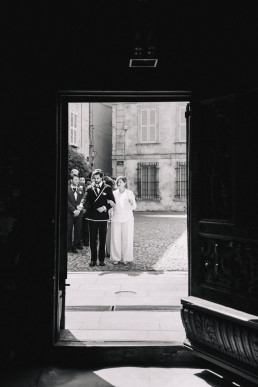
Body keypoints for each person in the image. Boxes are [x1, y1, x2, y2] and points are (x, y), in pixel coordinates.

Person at [84, 169, 115, 267]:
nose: (96, 180)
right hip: (92, 217)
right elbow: (85, 198)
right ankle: (93, 260)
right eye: (94, 178)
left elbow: (113, 202)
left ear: (101, 177)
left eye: (98, 178)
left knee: (102, 239)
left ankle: (101, 260)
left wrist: (105, 207)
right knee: (92, 239)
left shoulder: (107, 188)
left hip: (103, 217)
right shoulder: (89, 188)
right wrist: (81, 205)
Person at [110, 176, 137, 265]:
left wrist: (131, 202)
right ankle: (116, 258)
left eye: (120, 182)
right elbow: (111, 206)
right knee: (115, 238)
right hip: (116, 217)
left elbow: (134, 207)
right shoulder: (114, 193)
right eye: (118, 182)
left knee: (127, 238)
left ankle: (126, 258)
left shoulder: (129, 193)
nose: (118, 183)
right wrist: (110, 215)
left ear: (125, 183)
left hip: (127, 218)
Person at [67, 174, 84, 253]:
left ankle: (74, 246)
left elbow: (83, 200)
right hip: (70, 213)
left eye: (78, 180)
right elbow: (67, 202)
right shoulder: (67, 189)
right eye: (76, 179)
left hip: (79, 213)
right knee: (69, 230)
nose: (77, 181)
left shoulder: (80, 190)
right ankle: (68, 246)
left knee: (78, 230)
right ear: (71, 180)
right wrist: (74, 211)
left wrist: (80, 209)